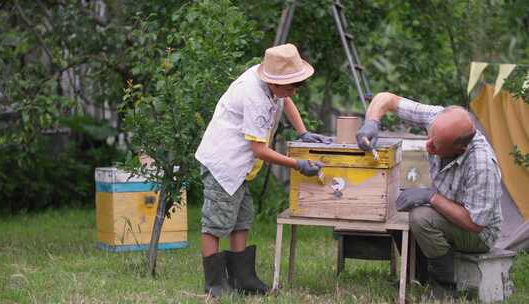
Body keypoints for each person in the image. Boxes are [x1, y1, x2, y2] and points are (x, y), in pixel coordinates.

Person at [195, 43, 329, 297]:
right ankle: (214, 283)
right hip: (224, 163)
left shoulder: (274, 86)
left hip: (239, 166)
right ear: (275, 82)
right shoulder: (253, 95)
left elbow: (286, 100)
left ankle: (242, 277)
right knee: (216, 222)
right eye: (291, 86)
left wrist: (304, 132)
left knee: (242, 218)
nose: (294, 92)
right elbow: (259, 150)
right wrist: (298, 165)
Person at [356, 92, 502, 285]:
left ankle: (444, 284)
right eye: (429, 136)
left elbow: (475, 223)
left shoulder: (482, 165)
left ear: (461, 150)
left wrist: (431, 197)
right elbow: (386, 99)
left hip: (479, 234)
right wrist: (371, 122)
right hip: (450, 212)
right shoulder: (438, 118)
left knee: (421, 217)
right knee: (396, 206)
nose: (427, 146)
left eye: (436, 146)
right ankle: (416, 276)